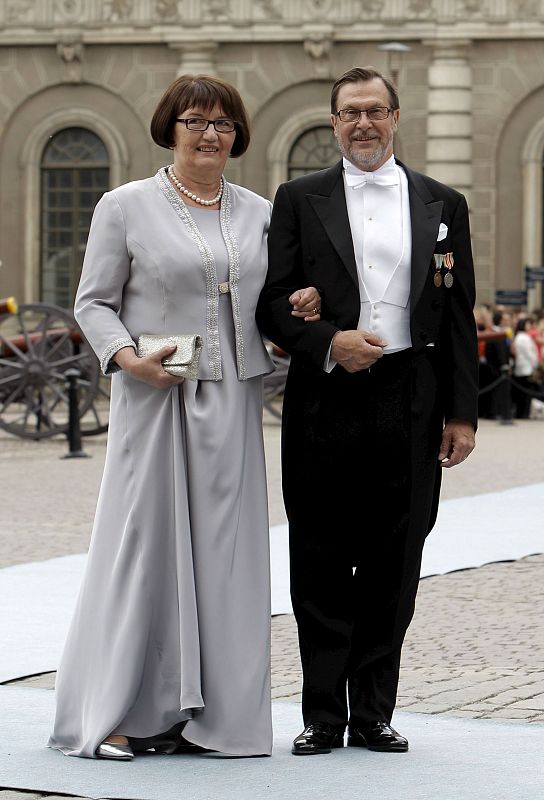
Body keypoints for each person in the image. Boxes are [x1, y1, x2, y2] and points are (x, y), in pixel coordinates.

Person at [48, 74, 320, 760]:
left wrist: (303, 311)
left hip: (232, 401)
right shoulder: (124, 205)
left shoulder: (262, 212)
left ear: (239, 136)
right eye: (195, 120)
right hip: (154, 396)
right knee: (143, 550)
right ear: (170, 127)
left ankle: (220, 721)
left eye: (223, 124)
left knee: (228, 561)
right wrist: (127, 358)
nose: (209, 134)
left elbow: (276, 304)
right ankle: (115, 714)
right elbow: (92, 302)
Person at [257, 66, 478, 756]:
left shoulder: (443, 203)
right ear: (333, 123)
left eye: (375, 111)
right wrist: (328, 341)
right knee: (319, 556)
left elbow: (462, 314)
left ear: (396, 117)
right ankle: (322, 715)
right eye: (350, 113)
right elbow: (269, 303)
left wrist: (463, 413)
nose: (363, 123)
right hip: (325, 397)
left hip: (412, 395)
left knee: (395, 558)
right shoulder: (299, 197)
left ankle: (374, 712)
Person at [511, 316, 539, 419]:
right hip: (526, 368)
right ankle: (523, 414)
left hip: (522, 368)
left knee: (522, 394)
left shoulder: (520, 337)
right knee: (525, 395)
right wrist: (536, 364)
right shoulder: (523, 338)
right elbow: (529, 353)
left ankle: (522, 413)